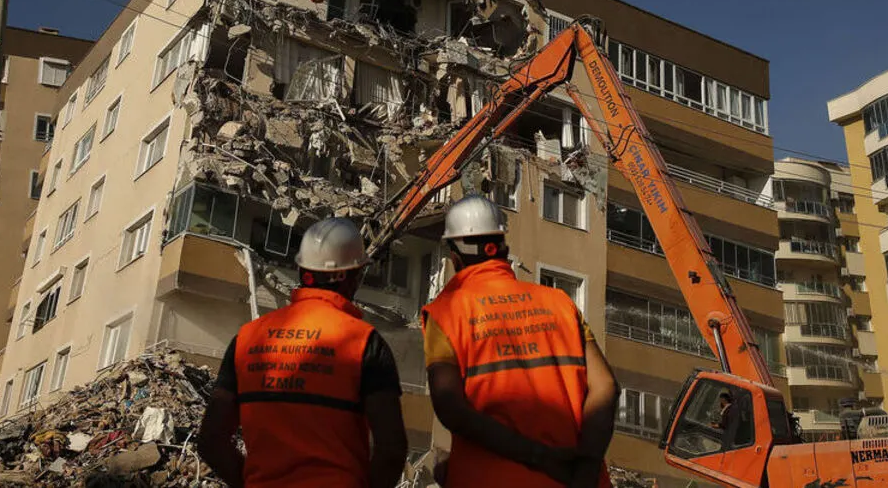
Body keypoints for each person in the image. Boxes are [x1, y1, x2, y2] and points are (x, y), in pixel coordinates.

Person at [422, 195, 620, 488]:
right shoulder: (560, 302)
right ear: (504, 248)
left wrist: (538, 456)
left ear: (455, 256)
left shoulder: (445, 313)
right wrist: (586, 466)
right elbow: (606, 386)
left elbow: (450, 407)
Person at [198, 217, 409, 488]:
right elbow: (391, 450)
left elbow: (211, 440)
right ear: (354, 276)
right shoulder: (365, 343)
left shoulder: (246, 340)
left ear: (301, 270)